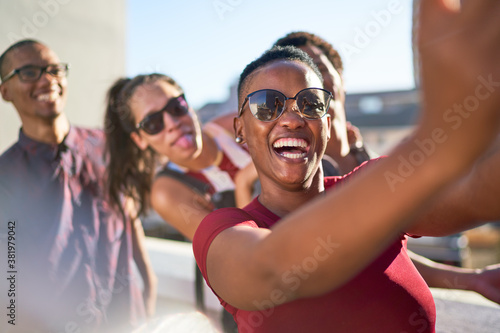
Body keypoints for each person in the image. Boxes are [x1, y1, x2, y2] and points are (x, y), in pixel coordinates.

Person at [192, 1, 500, 331]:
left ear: (327, 120)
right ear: (241, 129)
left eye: (310, 103)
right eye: (268, 105)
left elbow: (479, 192)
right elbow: (272, 270)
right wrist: (438, 148)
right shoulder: (221, 229)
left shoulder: (374, 182)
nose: (293, 119)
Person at [273, 30, 500, 305]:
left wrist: (472, 279)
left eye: (319, 67)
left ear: (341, 78)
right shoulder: (292, 173)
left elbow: (387, 251)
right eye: (302, 74)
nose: (314, 80)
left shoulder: (367, 155)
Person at [0, 40, 156, 333]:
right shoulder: (5, 177)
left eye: (54, 69)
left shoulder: (107, 146)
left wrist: (149, 286)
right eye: (29, 72)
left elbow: (130, 218)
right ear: (4, 91)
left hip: (128, 321)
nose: (47, 79)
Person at [104, 74, 253, 242]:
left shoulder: (234, 126)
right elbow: (235, 250)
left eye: (176, 107)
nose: (172, 123)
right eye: (152, 123)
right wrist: (244, 183)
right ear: (139, 139)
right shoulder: (167, 192)